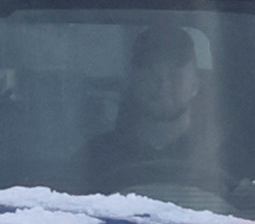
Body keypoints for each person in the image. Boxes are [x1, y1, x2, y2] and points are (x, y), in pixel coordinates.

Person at [89, 24, 222, 207]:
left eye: (175, 73)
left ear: (195, 83)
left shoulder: (227, 157)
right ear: (134, 81)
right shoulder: (96, 158)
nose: (163, 85)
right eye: (151, 73)